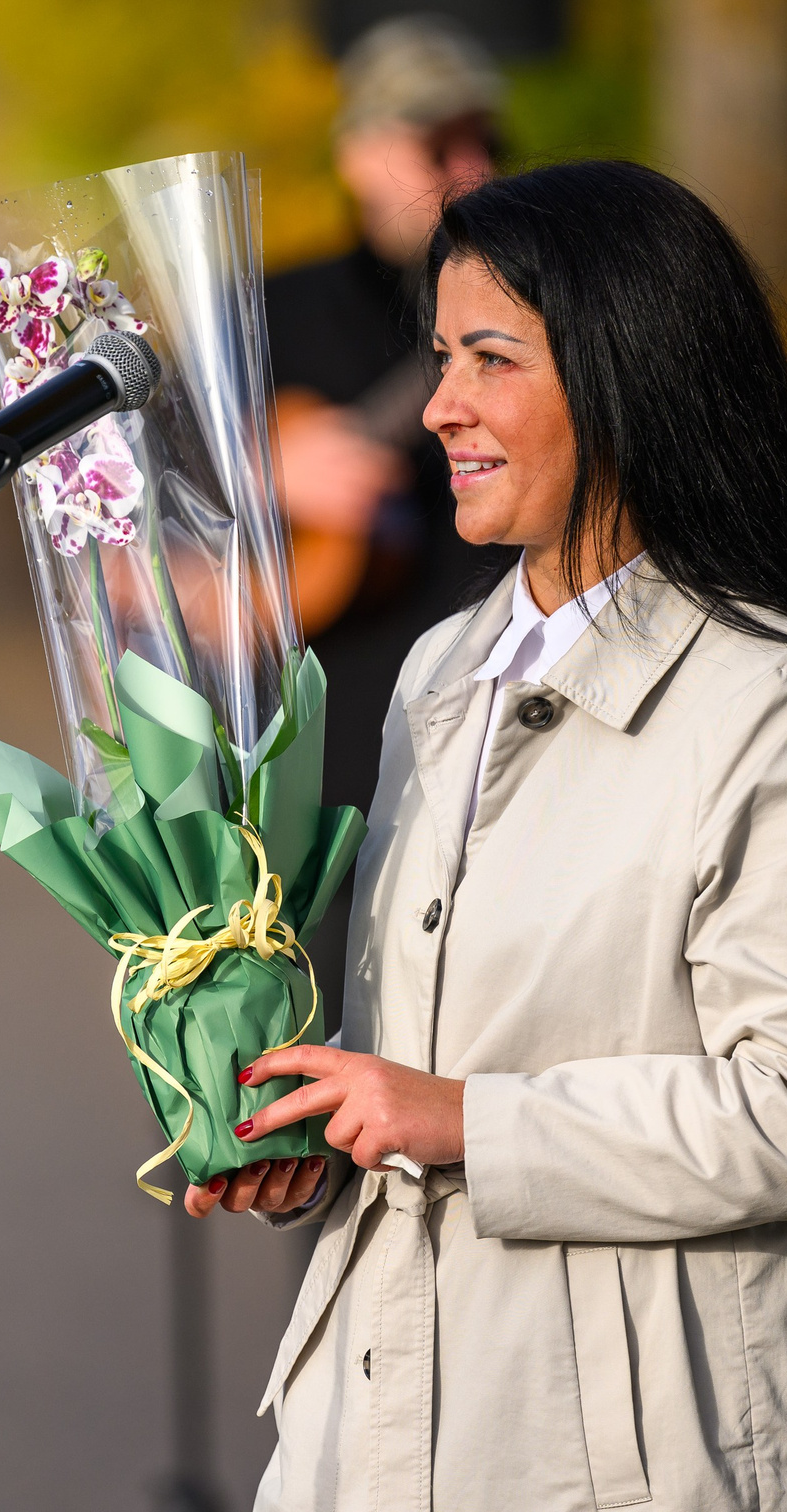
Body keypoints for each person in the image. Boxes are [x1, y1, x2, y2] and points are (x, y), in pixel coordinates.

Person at [194, 161, 787, 1512]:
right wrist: (329, 1123)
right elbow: (431, 1048)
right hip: (375, 1450)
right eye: (441, 355)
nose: (441, 405)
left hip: (630, 1501)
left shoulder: (784, 708)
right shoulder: (436, 674)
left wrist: (461, 1119)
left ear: (627, 371)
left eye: (492, 359)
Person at [266, 15, 509, 1032]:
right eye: (433, 143)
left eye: (483, 140)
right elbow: (138, 521)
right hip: (331, 769)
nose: (470, 167)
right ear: (359, 153)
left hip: (500, 749)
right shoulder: (274, 309)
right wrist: (259, 468)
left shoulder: (537, 306)